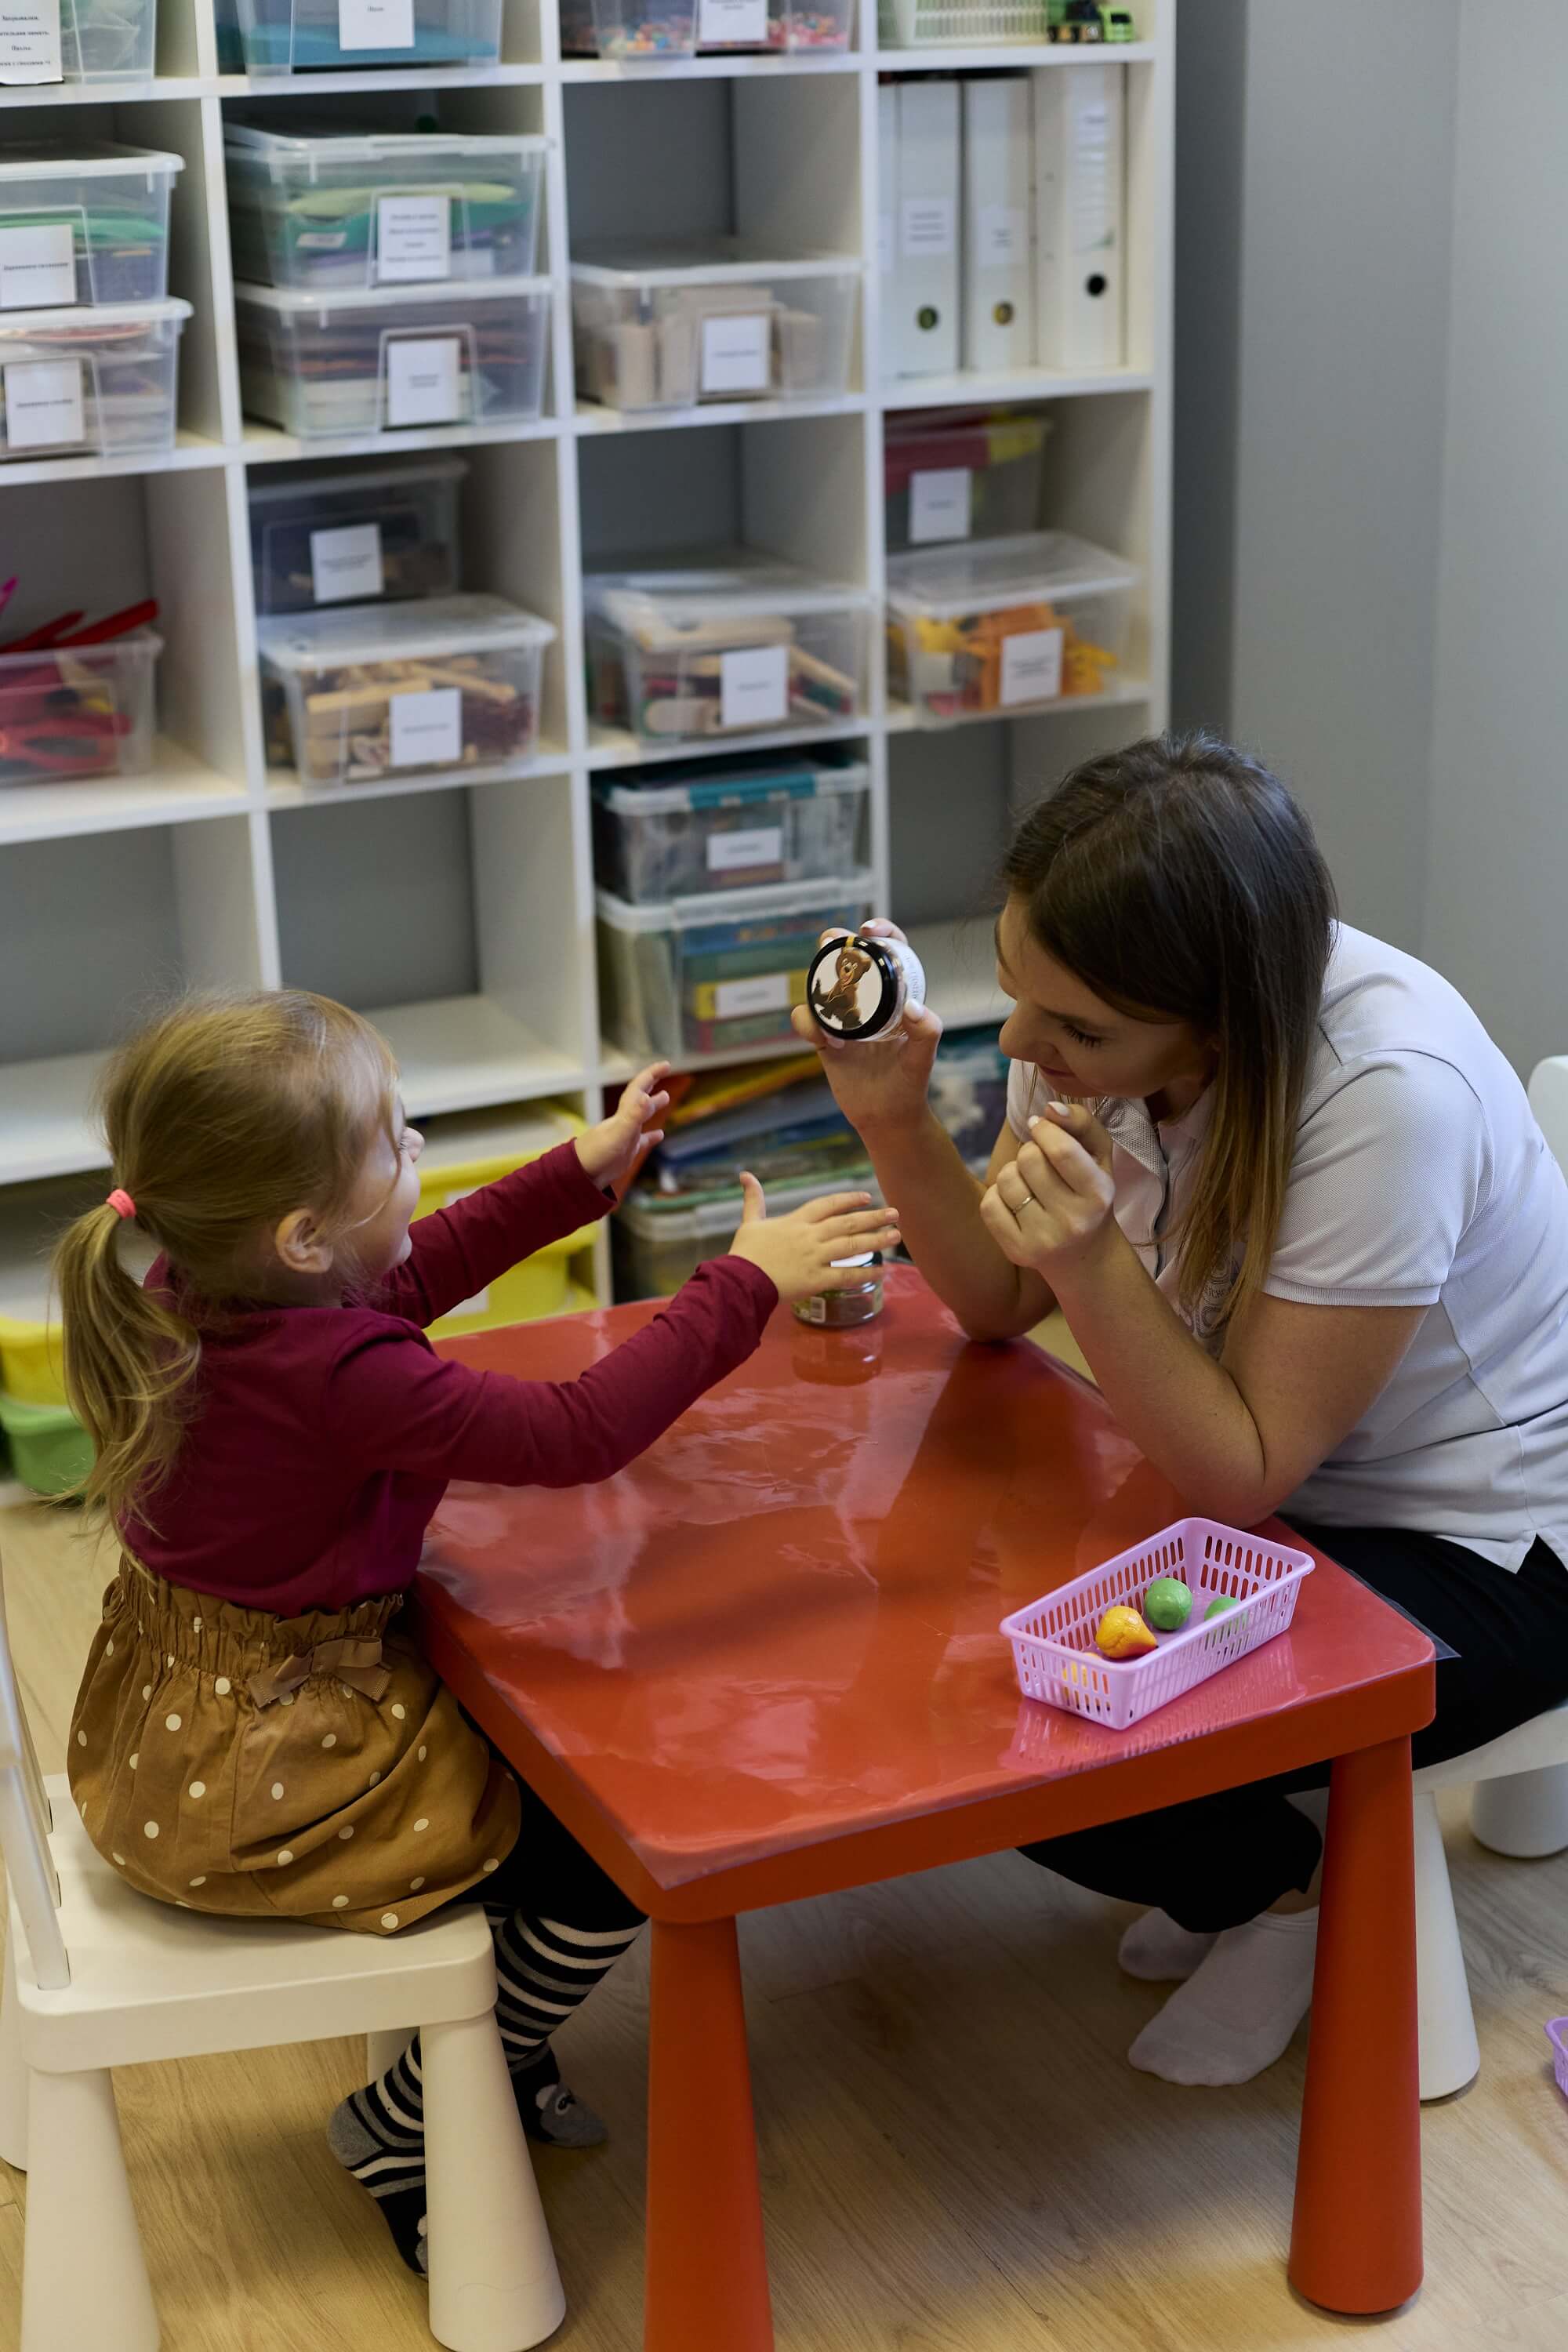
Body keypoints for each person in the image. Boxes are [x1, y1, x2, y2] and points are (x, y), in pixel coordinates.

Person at [56, 990, 898, 2278]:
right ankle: (410, 2116)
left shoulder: (202, 1283)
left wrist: (581, 1169)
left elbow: (413, 1270)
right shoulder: (338, 1377)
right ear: (297, 1235)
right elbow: (574, 1434)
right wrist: (743, 1287)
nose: (418, 1147)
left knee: (554, 1757)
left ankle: (484, 2057)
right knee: (605, 1851)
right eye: (396, 1141)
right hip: (259, 1772)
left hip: (189, 1722)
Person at [793, 730, 1568, 2088]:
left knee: (1054, 1731)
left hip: (1491, 1548)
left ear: (1219, 1021)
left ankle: (1287, 1898)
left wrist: (1093, 1259)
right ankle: (1252, 1876)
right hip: (1288, 1499)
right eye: (1016, 994)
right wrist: (893, 1117)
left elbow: (1241, 1474)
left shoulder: (1390, 1099)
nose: (1025, 1046)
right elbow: (990, 1302)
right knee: (958, 1657)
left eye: (1075, 1031)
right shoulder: (1111, 1025)